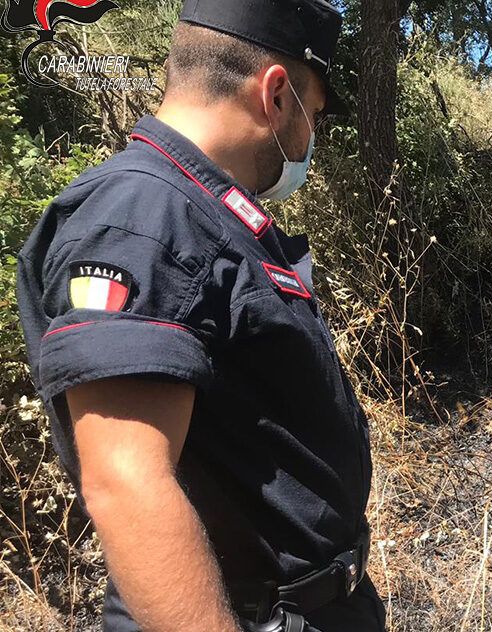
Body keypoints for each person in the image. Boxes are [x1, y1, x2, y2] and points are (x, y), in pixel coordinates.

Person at [15, 1, 386, 630]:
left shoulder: (205, 213)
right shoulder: (142, 217)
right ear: (276, 94)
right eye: (314, 114)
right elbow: (128, 483)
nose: (310, 139)